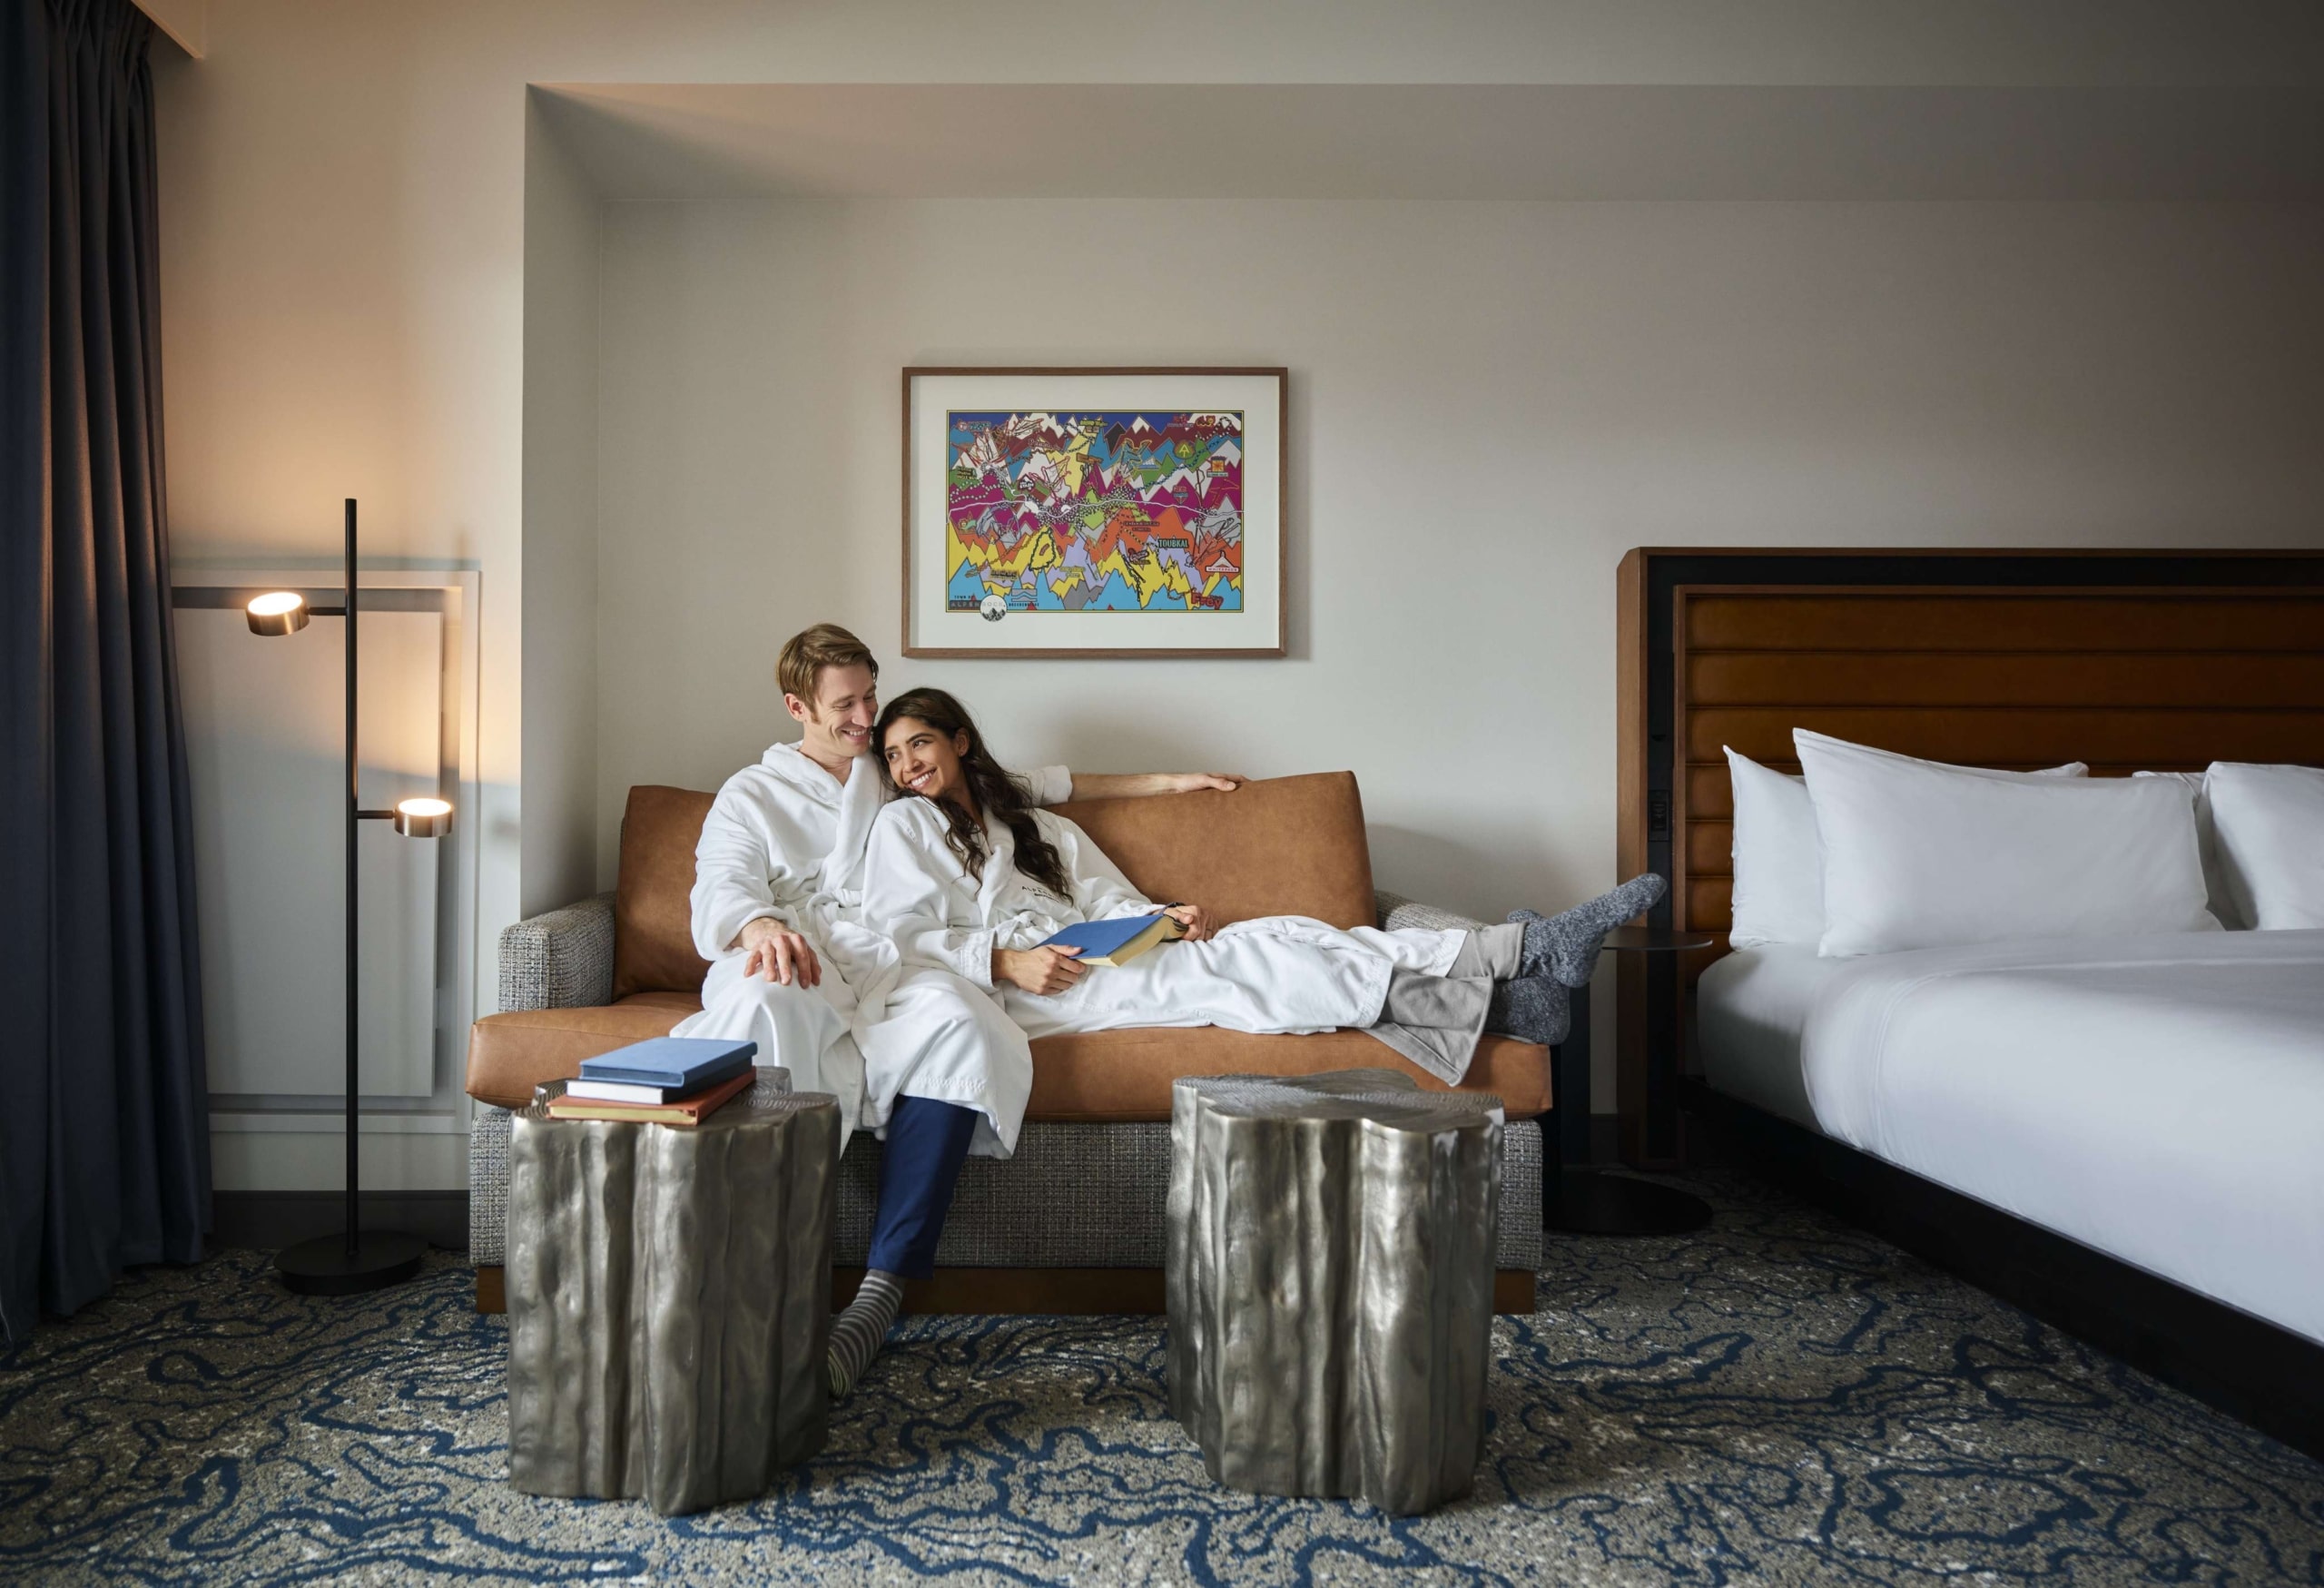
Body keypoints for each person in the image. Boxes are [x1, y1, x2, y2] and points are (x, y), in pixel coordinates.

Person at [824, 686, 1662, 1393]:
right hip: (1026, 991)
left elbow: (1110, 905)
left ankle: (1516, 988)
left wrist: (1161, 919)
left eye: (920, 743)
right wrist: (1006, 960)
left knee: (1277, 936)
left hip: (1093, 962)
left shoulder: (1044, 830)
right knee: (1249, 969)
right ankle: (1519, 951)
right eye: (893, 756)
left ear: (962, 741)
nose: (906, 767)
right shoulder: (905, 830)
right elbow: (899, 934)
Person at [665, 626, 1240, 1390]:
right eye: (846, 704)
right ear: (795, 705)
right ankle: (735, 1280)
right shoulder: (753, 792)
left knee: (966, 1024)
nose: (866, 715)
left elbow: (1025, 785)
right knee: (766, 1014)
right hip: (799, 953)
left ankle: (880, 1294)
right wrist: (759, 923)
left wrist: (1166, 784)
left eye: (871, 694)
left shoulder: (892, 767)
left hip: (888, 960)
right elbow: (721, 880)